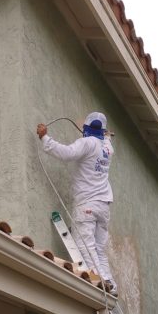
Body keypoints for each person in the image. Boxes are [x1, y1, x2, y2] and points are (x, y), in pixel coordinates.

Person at [36, 112, 117, 295]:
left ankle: (101, 284)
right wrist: (106, 136)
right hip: (103, 205)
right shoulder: (108, 148)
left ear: (86, 129)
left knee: (85, 246)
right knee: (99, 249)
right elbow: (106, 139)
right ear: (103, 131)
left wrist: (45, 138)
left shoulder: (86, 143)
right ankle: (112, 285)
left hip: (87, 204)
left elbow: (66, 153)